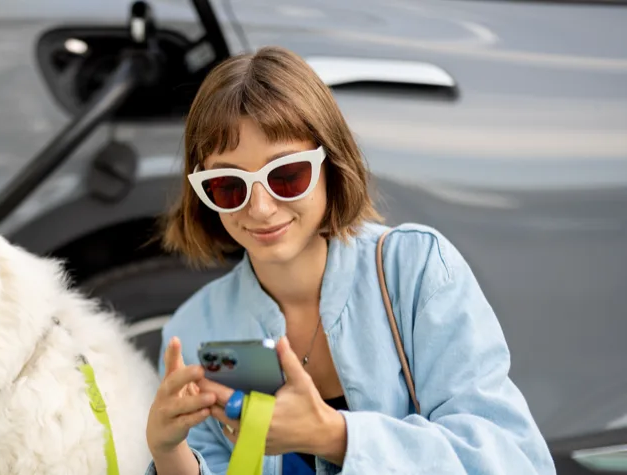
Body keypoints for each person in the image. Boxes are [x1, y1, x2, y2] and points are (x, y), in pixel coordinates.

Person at [143, 46, 555, 474]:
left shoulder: (413, 272)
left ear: (330, 165)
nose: (260, 207)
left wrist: (333, 435)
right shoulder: (197, 331)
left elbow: (514, 461)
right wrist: (168, 452)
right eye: (229, 185)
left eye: (286, 175)